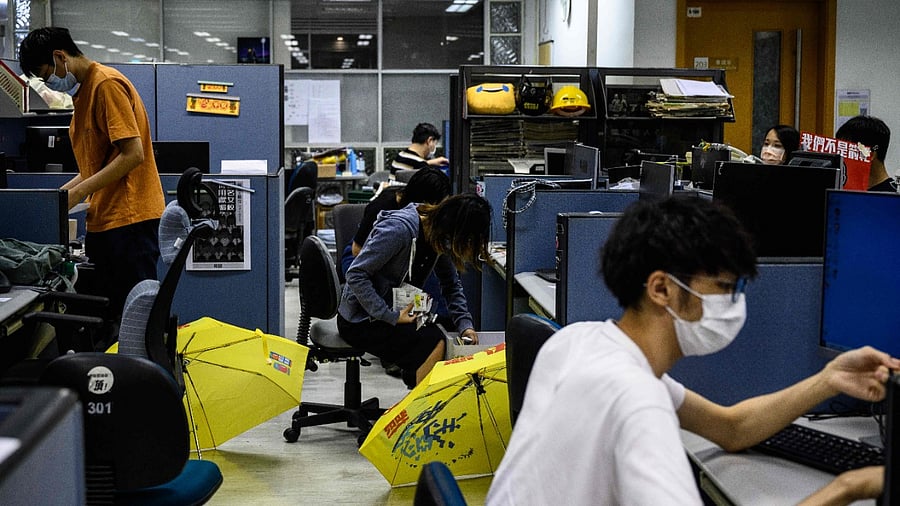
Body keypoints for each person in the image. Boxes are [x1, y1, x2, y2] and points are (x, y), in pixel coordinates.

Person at [487, 197, 896, 505]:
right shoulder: (637, 399)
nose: (733, 305)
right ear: (662, 288)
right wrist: (850, 486)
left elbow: (731, 428)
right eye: (722, 288)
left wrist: (829, 379)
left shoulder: (579, 341)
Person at [18, 27, 165, 329]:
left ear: (60, 57)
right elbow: (94, 167)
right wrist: (58, 199)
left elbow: (132, 154)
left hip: (129, 221)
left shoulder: (106, 85)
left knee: (135, 324)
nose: (51, 84)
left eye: (46, 75)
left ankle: (138, 376)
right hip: (109, 221)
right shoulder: (84, 94)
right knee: (107, 322)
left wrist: (76, 194)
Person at [337, 193, 490, 388]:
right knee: (434, 343)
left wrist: (465, 324)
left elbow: (451, 284)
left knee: (442, 330)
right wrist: (389, 315)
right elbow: (356, 274)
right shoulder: (399, 230)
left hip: (398, 310)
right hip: (360, 318)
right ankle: (419, 411)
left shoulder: (437, 235)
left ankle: (416, 393)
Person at [835, 115, 896, 192]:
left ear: (870, 154)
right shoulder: (841, 189)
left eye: (848, 152)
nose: (842, 157)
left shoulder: (894, 197)